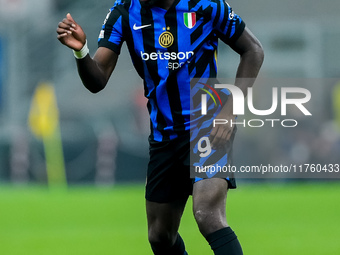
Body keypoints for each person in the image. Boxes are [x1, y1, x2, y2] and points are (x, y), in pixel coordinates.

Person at [57, 0, 264, 254]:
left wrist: (230, 112)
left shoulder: (206, 5)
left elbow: (253, 50)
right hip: (164, 135)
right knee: (159, 235)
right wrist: (81, 52)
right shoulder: (124, 11)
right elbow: (97, 79)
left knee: (207, 214)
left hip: (208, 126)